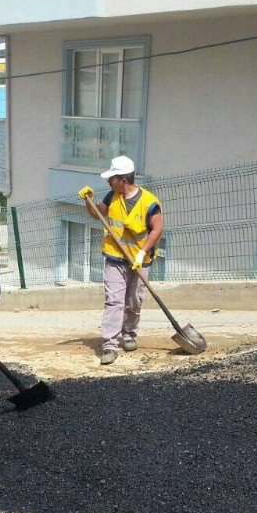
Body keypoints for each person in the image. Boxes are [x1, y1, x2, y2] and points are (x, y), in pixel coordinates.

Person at [78, 155, 163, 365]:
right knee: (114, 300)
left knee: (134, 300)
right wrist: (88, 202)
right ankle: (109, 344)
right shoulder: (112, 196)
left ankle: (129, 334)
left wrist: (142, 253)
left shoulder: (149, 203)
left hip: (139, 259)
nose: (109, 182)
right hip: (115, 258)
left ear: (123, 180)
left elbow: (157, 229)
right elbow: (97, 215)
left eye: (112, 179)